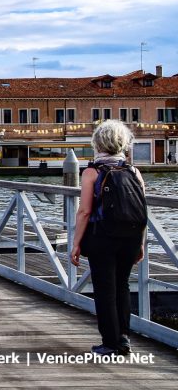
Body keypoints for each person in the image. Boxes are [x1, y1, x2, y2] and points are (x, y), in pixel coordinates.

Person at [71, 120, 148, 356]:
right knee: (122, 286)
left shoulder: (92, 172)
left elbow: (84, 211)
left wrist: (76, 243)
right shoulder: (134, 171)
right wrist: (141, 243)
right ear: (123, 143)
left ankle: (109, 343)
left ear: (98, 143)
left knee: (105, 289)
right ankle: (123, 338)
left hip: (102, 237)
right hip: (131, 237)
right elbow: (143, 210)